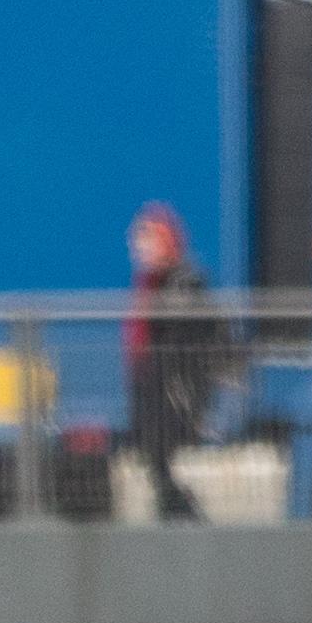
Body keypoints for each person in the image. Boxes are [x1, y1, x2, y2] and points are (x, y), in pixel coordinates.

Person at [119, 204, 214, 522]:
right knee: (156, 466)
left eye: (148, 240)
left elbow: (184, 337)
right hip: (153, 390)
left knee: (163, 462)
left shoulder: (183, 281)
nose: (140, 249)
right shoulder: (150, 283)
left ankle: (185, 516)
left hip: (172, 393)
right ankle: (178, 514)